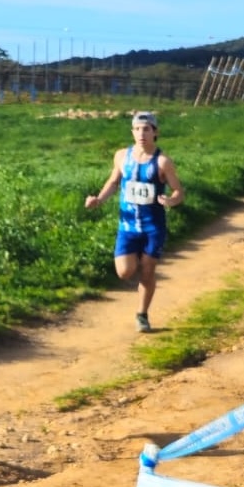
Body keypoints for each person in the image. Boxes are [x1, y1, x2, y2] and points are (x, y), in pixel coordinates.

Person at [84, 111, 185, 333]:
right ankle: (137, 261)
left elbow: (179, 191)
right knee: (124, 272)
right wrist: (99, 199)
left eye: (146, 129)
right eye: (137, 129)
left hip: (153, 226)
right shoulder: (121, 156)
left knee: (148, 272)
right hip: (127, 226)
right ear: (132, 132)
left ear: (155, 132)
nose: (141, 133)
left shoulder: (162, 162)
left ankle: (142, 315)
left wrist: (171, 200)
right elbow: (113, 181)